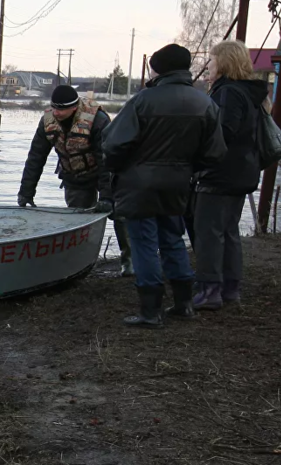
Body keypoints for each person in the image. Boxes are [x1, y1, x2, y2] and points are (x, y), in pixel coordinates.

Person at [101, 44, 226, 327]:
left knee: (144, 244)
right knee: (172, 238)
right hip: (179, 182)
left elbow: (113, 143)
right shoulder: (205, 103)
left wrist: (119, 167)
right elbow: (215, 152)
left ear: (158, 69)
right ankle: (183, 304)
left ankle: (150, 311)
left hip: (139, 184)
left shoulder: (143, 101)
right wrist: (188, 168)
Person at [18, 84, 133, 276]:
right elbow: (35, 158)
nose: (57, 112)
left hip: (105, 172)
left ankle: (129, 260)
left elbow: (107, 162)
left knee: (120, 215)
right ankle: (80, 263)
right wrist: (26, 192)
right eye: (54, 107)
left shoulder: (98, 120)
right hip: (75, 176)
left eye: (61, 109)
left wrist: (106, 197)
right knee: (79, 220)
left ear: (74, 107)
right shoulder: (47, 122)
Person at [192, 40, 268, 309]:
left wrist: (198, 159)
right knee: (228, 231)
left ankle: (209, 290)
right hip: (242, 172)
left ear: (223, 63)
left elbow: (222, 134)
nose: (207, 67)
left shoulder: (227, 93)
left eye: (211, 62)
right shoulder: (250, 93)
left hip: (220, 175)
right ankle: (230, 288)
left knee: (209, 232)